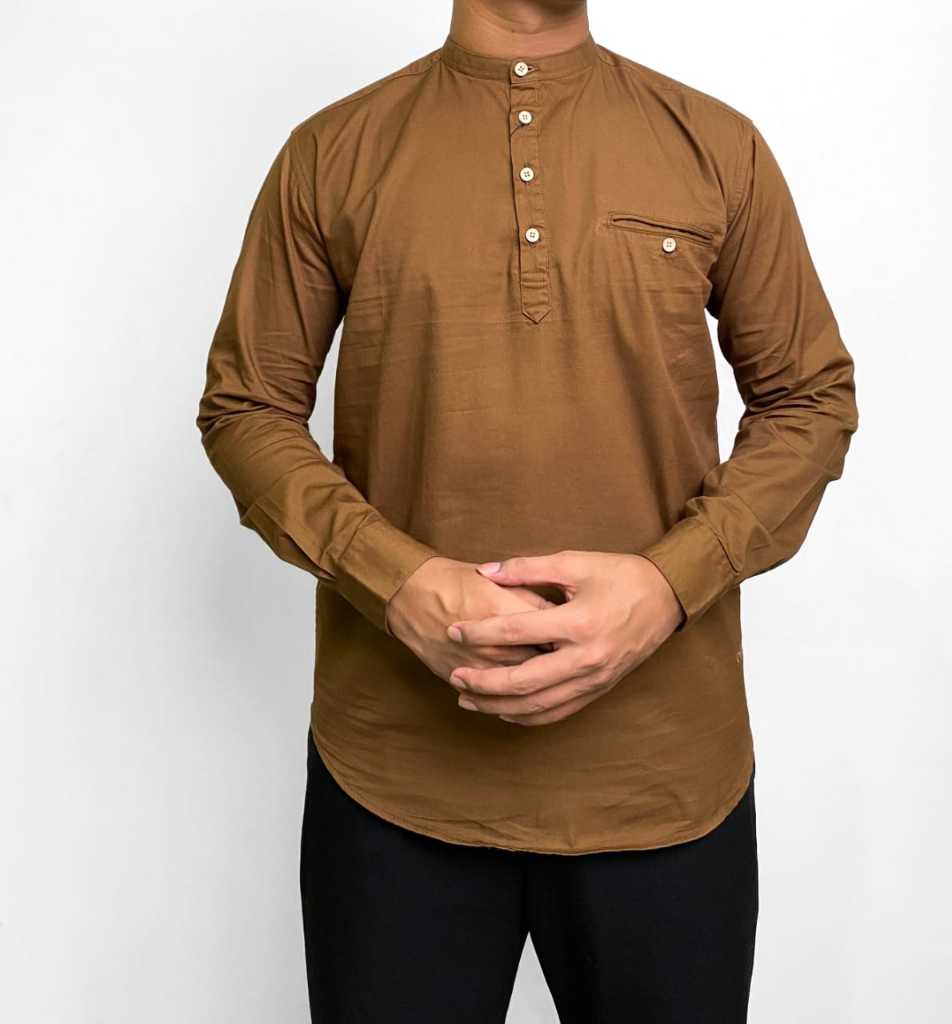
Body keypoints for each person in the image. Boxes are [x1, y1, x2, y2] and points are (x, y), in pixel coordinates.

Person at [196, 0, 859, 1019]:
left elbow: (810, 400)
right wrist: (396, 582)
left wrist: (668, 585)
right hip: (397, 780)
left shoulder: (713, 143)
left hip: (664, 778)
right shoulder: (332, 151)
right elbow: (247, 407)